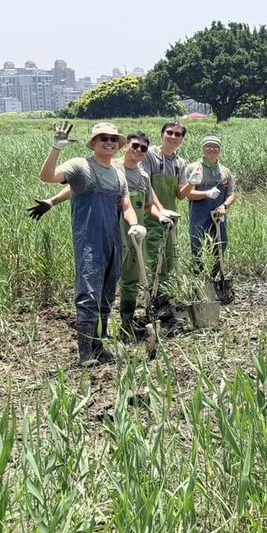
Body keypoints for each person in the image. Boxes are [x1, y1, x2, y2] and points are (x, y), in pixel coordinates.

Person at [29, 132, 174, 339]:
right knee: (97, 287)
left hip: (132, 233)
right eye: (135, 146)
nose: (139, 151)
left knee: (126, 282)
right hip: (106, 233)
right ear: (126, 147)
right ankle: (94, 339)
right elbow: (74, 187)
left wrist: (159, 217)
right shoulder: (110, 166)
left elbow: (145, 204)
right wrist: (52, 201)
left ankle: (125, 324)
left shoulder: (140, 176)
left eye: (144, 148)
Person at [38, 122, 146, 366]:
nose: (108, 142)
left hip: (113, 241)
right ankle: (85, 352)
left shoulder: (119, 173)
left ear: (118, 145)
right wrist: (56, 148)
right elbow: (47, 177)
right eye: (103, 138)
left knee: (107, 295)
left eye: (113, 139)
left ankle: (99, 347)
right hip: (89, 240)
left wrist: (134, 224)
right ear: (94, 143)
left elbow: (126, 205)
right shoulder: (80, 166)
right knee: (88, 294)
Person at [142, 122, 196, 318]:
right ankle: (155, 300)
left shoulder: (180, 163)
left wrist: (192, 183)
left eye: (178, 134)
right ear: (162, 134)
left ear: (182, 139)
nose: (173, 137)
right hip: (151, 215)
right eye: (170, 133)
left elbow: (181, 195)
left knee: (170, 259)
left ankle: (165, 298)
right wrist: (160, 210)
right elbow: (146, 185)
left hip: (171, 216)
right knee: (155, 258)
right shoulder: (149, 155)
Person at [185, 135, 237, 276]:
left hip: (218, 214)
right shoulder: (193, 168)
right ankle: (198, 276)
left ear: (220, 150)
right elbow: (188, 194)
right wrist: (206, 193)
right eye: (208, 146)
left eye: (215, 147)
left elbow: (232, 194)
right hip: (199, 214)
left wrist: (224, 206)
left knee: (221, 243)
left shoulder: (225, 172)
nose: (211, 149)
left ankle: (216, 275)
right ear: (203, 149)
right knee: (197, 244)